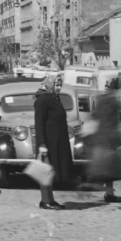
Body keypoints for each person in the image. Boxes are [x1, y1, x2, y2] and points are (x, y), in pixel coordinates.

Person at [33, 76, 77, 211]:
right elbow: (39, 124)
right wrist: (42, 144)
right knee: (45, 172)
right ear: (49, 84)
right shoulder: (42, 100)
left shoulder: (53, 98)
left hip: (56, 142)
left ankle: (50, 200)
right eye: (56, 85)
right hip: (48, 143)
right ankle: (45, 200)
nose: (58, 88)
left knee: (51, 172)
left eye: (60, 85)